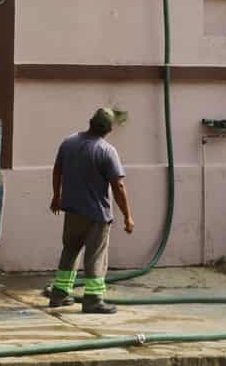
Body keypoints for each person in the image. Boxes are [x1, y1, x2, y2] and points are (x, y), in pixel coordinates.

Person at [49, 108, 134, 314]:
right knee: (96, 256)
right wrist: (128, 216)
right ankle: (93, 299)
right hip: (96, 215)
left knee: (69, 250)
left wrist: (56, 196)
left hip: (72, 210)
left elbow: (57, 169)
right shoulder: (106, 151)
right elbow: (118, 186)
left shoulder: (68, 143)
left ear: (90, 122)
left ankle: (59, 294)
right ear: (109, 130)